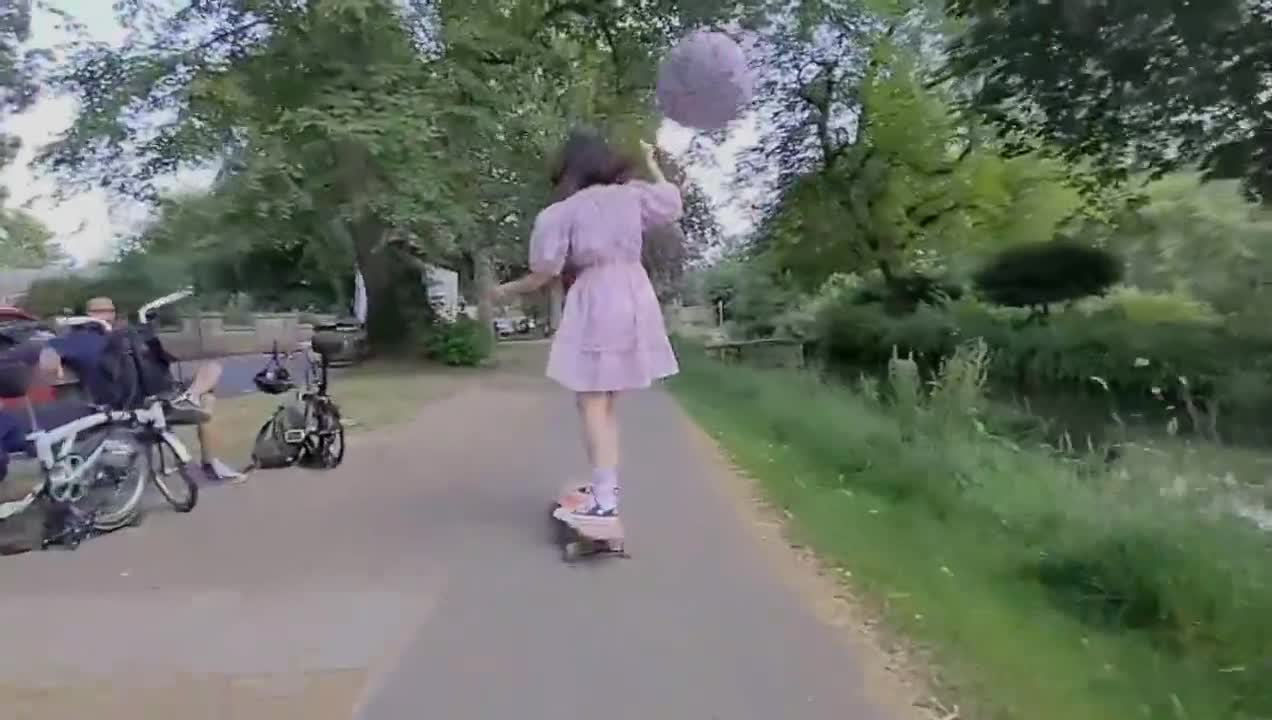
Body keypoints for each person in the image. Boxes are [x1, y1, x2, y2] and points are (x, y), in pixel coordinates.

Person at [489, 131, 682, 525]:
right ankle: (604, 488)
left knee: (592, 403)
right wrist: (651, 162)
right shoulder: (632, 195)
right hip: (635, 294)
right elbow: (671, 202)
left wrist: (503, 291)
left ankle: (605, 498)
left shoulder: (562, 212)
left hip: (598, 298)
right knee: (605, 404)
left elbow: (545, 271)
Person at [76, 297, 242, 483]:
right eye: (98, 312)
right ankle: (209, 462)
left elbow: (161, 357)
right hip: (129, 403)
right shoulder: (82, 341)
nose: (105, 316)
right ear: (88, 315)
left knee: (212, 371)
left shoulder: (127, 335)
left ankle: (190, 398)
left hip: (156, 393)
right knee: (207, 401)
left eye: (109, 311)